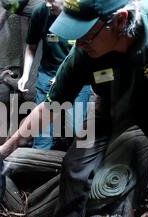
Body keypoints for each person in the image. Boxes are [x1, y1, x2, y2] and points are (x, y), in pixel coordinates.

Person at [1, 0, 148, 217]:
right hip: (110, 101)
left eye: (84, 35)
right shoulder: (81, 55)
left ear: (120, 20)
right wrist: (6, 149)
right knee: (75, 164)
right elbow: (51, 106)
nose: (78, 43)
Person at [18, 0, 91, 149]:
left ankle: (74, 163)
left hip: (76, 76)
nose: (47, 4)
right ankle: (38, 164)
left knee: (76, 129)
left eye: (51, 0)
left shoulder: (82, 14)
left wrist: (62, 76)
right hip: (48, 74)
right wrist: (25, 75)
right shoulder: (41, 12)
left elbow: (86, 52)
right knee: (42, 132)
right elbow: (31, 46)